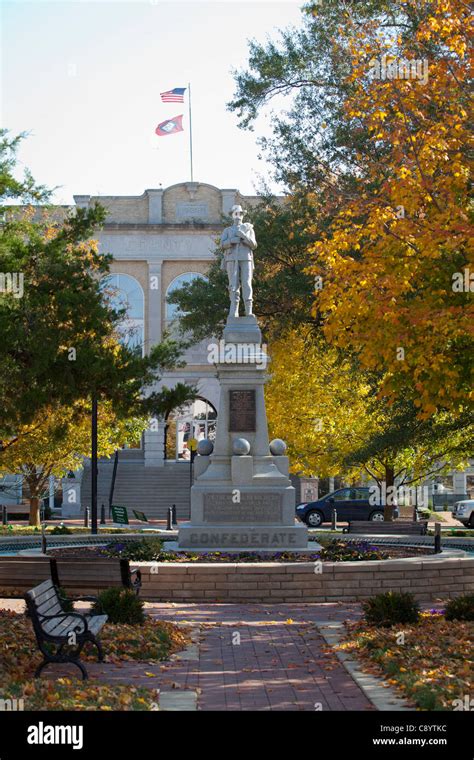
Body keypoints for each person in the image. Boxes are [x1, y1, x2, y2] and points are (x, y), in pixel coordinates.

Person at [220, 204, 257, 317]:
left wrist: (244, 237)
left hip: (246, 258)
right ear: (232, 215)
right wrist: (232, 240)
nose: (238, 216)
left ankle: (248, 310)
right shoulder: (228, 230)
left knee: (246, 283)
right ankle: (234, 310)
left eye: (240, 213)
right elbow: (222, 245)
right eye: (235, 213)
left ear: (242, 215)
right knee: (233, 284)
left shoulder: (248, 229)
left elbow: (254, 245)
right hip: (232, 258)